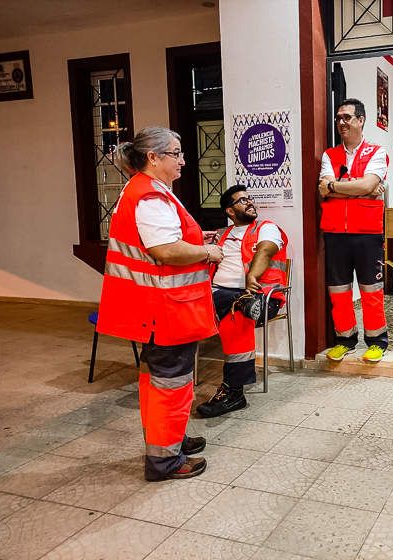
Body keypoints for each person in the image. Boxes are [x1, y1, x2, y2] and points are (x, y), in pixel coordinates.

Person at [97, 126, 223, 481]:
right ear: (153, 157)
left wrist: (198, 240)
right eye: (176, 153)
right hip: (167, 309)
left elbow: (166, 241)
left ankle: (172, 441)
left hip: (157, 307)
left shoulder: (145, 190)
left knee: (159, 380)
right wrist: (208, 251)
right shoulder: (150, 197)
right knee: (172, 382)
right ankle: (166, 460)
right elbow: (166, 250)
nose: (183, 160)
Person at [196, 185, 288, 418]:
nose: (250, 202)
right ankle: (178, 377)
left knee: (236, 312)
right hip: (219, 293)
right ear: (230, 211)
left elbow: (266, 250)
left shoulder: (266, 228)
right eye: (242, 200)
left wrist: (252, 276)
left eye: (250, 198)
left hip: (262, 296)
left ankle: (233, 392)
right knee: (229, 306)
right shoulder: (221, 235)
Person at [318, 98, 389, 363]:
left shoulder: (377, 152)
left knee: (371, 290)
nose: (341, 123)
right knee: (339, 290)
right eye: (339, 118)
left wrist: (336, 187)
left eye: (347, 117)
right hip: (335, 233)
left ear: (361, 120)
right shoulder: (329, 155)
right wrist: (359, 187)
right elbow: (324, 187)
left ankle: (377, 341)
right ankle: (345, 339)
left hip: (367, 233)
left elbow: (367, 183)